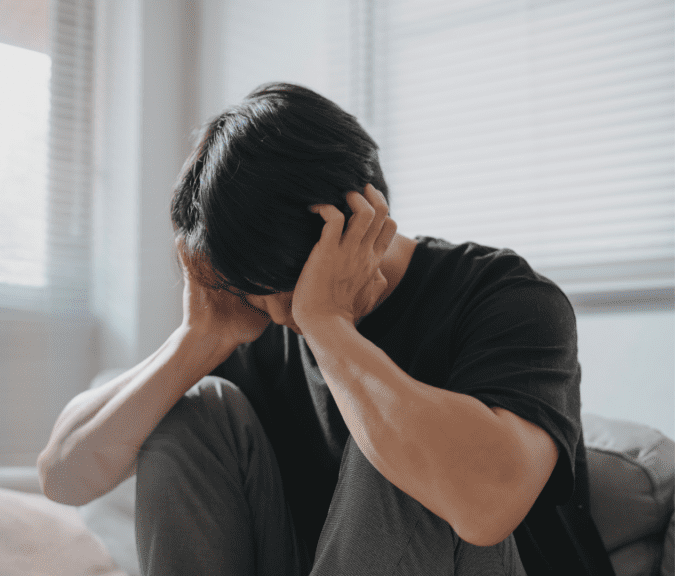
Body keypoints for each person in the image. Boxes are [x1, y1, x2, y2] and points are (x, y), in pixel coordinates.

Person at [37, 83, 613, 575]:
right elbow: (62, 476)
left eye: (284, 287)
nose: (279, 314)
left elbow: (490, 502)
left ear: (365, 218)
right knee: (191, 407)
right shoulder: (255, 311)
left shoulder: (506, 295)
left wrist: (330, 327)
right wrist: (196, 340)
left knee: (401, 438)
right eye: (254, 291)